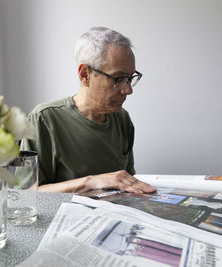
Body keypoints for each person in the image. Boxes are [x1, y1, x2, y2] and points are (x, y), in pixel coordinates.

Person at [22, 26, 156, 194]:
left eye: (130, 79)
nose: (128, 90)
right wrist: (91, 182)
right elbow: (25, 195)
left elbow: (127, 185)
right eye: (119, 79)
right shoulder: (44, 120)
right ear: (85, 74)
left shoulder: (122, 119)